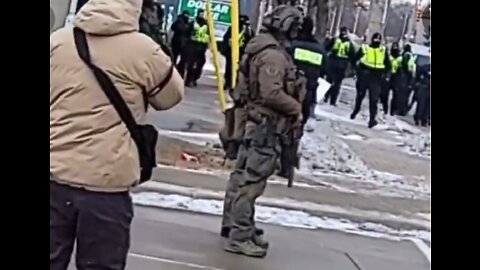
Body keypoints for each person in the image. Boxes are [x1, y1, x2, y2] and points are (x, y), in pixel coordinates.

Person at [50, 0, 184, 269]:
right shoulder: (144, 50)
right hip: (107, 186)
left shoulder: (58, 42)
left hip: (54, 176)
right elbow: (171, 96)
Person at [221, 5, 305, 258]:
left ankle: (236, 225)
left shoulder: (261, 49)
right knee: (252, 181)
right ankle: (240, 235)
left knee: (242, 175)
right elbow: (272, 93)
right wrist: (295, 108)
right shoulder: (273, 57)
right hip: (265, 126)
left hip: (254, 122)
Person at [289, 17, 327, 128]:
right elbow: (325, 70)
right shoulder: (319, 50)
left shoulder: (291, 46)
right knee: (300, 124)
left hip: (288, 90)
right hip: (308, 91)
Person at [351, 32, 391, 128]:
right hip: (365, 75)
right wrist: (359, 71)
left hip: (376, 77)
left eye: (378, 40)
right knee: (360, 95)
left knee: (374, 99)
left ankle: (372, 119)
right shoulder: (365, 48)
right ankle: (355, 111)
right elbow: (354, 60)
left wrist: (385, 75)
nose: (377, 41)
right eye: (375, 39)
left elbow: (388, 65)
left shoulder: (383, 50)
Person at [323, 26, 356, 106]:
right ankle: (333, 101)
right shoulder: (349, 43)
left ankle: (325, 97)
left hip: (332, 64)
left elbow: (326, 48)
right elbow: (353, 56)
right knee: (337, 84)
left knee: (328, 82)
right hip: (342, 66)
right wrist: (353, 68)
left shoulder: (335, 40)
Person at [222, 15, 255, 91]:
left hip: (242, 53)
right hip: (231, 52)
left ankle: (234, 83)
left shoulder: (248, 31)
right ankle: (228, 82)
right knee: (229, 68)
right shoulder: (233, 28)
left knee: (239, 69)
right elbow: (226, 38)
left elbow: (251, 41)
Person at [184, 9, 209, 87]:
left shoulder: (206, 24)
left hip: (202, 47)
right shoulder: (193, 23)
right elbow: (187, 33)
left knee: (200, 64)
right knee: (190, 64)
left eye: (202, 13)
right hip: (193, 45)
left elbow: (209, 35)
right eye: (200, 13)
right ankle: (188, 80)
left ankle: (195, 78)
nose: (201, 15)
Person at [380, 42, 401, 115]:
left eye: (396, 47)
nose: (395, 48)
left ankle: (393, 111)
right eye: (394, 46)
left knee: (396, 96)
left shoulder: (400, 58)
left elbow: (401, 68)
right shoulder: (388, 56)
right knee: (384, 94)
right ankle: (384, 109)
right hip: (388, 75)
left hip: (396, 77)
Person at [395, 44, 417, 115]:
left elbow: (405, 65)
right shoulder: (411, 55)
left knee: (401, 95)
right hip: (409, 78)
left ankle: (400, 110)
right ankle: (403, 110)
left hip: (405, 77)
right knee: (405, 96)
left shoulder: (406, 55)